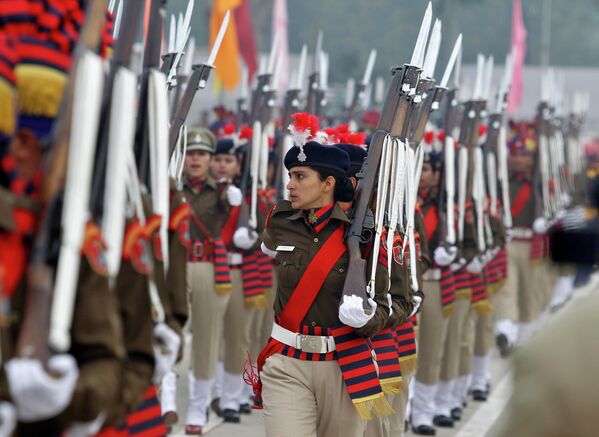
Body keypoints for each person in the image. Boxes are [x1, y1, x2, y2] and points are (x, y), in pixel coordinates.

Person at [256, 137, 392, 437]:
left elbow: (390, 303)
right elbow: (268, 252)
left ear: (328, 183)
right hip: (287, 362)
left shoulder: (365, 234)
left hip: (343, 365)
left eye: (300, 176)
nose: (290, 184)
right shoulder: (281, 222)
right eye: (290, 176)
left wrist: (368, 318)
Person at [182, 127, 242, 435]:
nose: (196, 159)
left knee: (206, 340)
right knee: (169, 336)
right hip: (177, 265)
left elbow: (231, 210)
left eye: (202, 154)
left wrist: (233, 199)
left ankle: (198, 406)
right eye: (191, 153)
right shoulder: (171, 186)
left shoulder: (220, 191)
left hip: (206, 265)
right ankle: (165, 401)